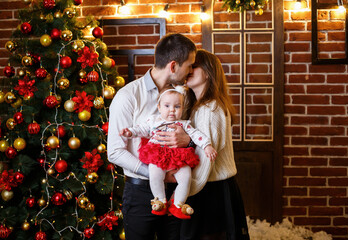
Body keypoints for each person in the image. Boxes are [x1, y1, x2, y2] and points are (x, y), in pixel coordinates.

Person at [107, 33, 196, 240]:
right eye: (189, 65)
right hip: (141, 194)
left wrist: (188, 140)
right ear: (173, 66)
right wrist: (155, 174)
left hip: (177, 192)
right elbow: (115, 151)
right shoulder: (128, 96)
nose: (191, 71)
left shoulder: (183, 96)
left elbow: (193, 134)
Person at [180, 49, 250, 240]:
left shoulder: (210, 109)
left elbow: (206, 159)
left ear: (209, 72)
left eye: (195, 66)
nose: (189, 70)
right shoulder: (197, 106)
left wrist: (187, 190)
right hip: (207, 187)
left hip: (210, 189)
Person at [119, 86, 217, 220]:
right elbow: (142, 129)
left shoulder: (184, 124)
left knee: (186, 177)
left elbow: (196, 135)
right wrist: (130, 132)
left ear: (182, 109)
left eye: (177, 107)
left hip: (178, 156)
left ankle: (178, 204)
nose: (172, 110)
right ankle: (160, 200)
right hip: (158, 155)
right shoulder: (154, 121)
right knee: (155, 174)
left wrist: (207, 146)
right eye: (167, 106)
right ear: (159, 107)